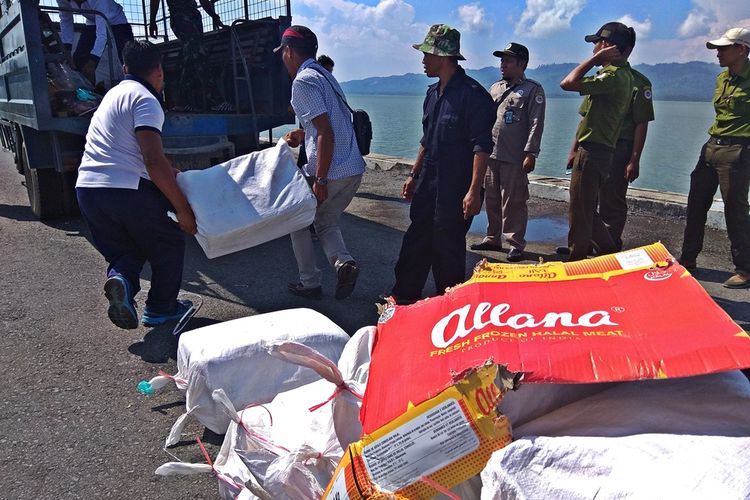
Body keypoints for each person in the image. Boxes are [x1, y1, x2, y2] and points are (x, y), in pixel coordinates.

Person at [75, 40, 197, 329]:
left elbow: (134, 149)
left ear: (126, 67)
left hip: (87, 189)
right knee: (168, 241)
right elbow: (152, 160)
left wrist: (171, 170)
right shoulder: (146, 99)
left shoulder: (112, 95)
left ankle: (121, 282)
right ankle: (161, 308)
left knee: (125, 250)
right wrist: (183, 210)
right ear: (159, 70)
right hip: (125, 189)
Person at [388, 24, 495, 304]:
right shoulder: (432, 94)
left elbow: (481, 146)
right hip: (429, 182)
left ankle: (449, 306)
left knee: (447, 247)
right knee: (417, 239)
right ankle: (403, 298)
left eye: (427, 55)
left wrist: (474, 190)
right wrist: (414, 174)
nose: (423, 61)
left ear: (443, 57)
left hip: (456, 186)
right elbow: (427, 139)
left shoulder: (474, 96)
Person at [275, 26, 365, 300]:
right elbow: (328, 124)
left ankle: (310, 282)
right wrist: (303, 134)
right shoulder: (326, 75)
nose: (282, 58)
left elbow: (326, 131)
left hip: (331, 171)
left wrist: (321, 179)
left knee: (297, 222)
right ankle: (343, 263)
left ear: (289, 51)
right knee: (325, 222)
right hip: (353, 168)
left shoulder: (302, 82)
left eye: (283, 52)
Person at [679, 28, 750, 288]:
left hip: (738, 150)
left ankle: (745, 269)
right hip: (711, 147)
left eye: (723, 48)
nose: (717, 53)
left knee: (735, 211)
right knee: (696, 205)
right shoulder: (722, 78)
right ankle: (687, 261)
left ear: (741, 49)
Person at [558, 22, 634, 261]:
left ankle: (578, 259)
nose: (593, 51)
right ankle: (608, 253)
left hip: (594, 151)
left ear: (608, 47)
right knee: (586, 209)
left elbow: (567, 83)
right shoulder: (620, 75)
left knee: (579, 211)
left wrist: (595, 60)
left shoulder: (614, 77)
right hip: (597, 150)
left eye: (597, 46)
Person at [470, 42, 545, 262]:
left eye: (508, 60)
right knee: (491, 199)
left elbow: (535, 122)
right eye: (501, 60)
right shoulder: (495, 88)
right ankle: (493, 237)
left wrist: (531, 152)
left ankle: (515, 243)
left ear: (521, 64)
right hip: (491, 154)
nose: (502, 64)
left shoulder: (533, 90)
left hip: (515, 156)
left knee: (513, 202)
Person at [598, 27, 654, 251]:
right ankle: (590, 241)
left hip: (619, 147)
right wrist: (574, 148)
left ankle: (610, 244)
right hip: (596, 145)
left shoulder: (639, 83)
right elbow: (585, 117)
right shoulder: (602, 77)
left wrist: (634, 159)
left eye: (605, 43)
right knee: (589, 198)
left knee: (612, 199)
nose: (600, 47)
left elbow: (642, 122)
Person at [148, 0, 228, 112]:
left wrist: (213, 15)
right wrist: (152, 21)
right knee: (198, 53)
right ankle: (216, 100)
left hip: (194, 16)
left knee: (190, 57)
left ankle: (182, 102)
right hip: (180, 16)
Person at [57, 0, 134, 84]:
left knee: (128, 57)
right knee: (79, 58)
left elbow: (102, 34)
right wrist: (67, 49)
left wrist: (93, 61)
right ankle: (89, 90)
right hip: (92, 21)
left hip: (117, 21)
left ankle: (135, 85)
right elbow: (66, 19)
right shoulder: (62, 0)